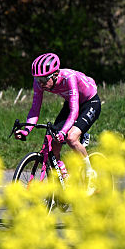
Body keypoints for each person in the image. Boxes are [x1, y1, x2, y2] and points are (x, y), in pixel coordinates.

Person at [14, 52, 101, 195]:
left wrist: (63, 132)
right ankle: (64, 179)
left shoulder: (69, 78)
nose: (40, 83)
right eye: (37, 79)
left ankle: (90, 175)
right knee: (53, 141)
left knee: (71, 137)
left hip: (90, 102)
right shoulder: (39, 83)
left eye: (43, 79)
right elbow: (35, 109)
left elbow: (74, 111)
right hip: (71, 103)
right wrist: (26, 130)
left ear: (55, 75)